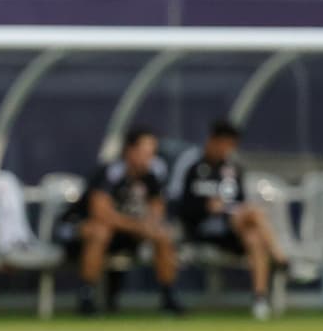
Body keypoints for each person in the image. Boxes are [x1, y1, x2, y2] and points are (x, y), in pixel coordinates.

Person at [57, 127, 184, 316]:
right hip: (80, 231)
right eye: (144, 152)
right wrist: (137, 226)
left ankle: (168, 297)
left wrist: (150, 225)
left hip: (126, 234)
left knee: (162, 234)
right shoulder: (110, 172)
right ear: (130, 151)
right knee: (100, 232)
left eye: (152, 153)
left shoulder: (151, 176)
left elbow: (157, 209)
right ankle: (86, 297)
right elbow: (101, 213)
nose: (149, 158)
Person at [171, 120, 285, 320]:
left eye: (231, 146)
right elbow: (179, 206)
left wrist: (226, 209)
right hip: (205, 229)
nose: (227, 150)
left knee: (253, 238)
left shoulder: (233, 169)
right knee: (253, 214)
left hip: (233, 229)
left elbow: (238, 202)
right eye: (224, 144)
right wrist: (206, 207)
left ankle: (259, 299)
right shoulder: (192, 167)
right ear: (213, 141)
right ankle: (278, 254)